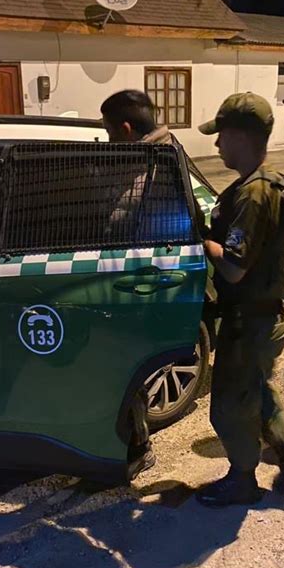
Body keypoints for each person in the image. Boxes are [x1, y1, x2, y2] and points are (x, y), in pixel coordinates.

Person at [196, 91, 284, 507]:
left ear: (241, 137)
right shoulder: (274, 183)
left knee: (230, 404)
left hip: (252, 318)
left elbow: (233, 267)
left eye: (221, 135)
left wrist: (204, 242)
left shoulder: (252, 194)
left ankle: (242, 481)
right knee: (259, 390)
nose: (216, 144)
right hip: (272, 311)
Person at [99, 89, 173, 483]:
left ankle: (137, 448)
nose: (109, 142)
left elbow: (152, 237)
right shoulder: (144, 159)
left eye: (110, 133)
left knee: (125, 374)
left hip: (136, 287)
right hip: (129, 283)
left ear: (126, 130)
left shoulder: (159, 167)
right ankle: (128, 444)